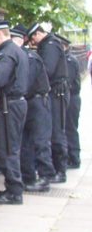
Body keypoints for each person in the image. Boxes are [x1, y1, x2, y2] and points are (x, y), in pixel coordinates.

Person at [0, 21, 29, 205]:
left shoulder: (7, 53)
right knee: (9, 147)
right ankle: (13, 186)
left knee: (7, 148)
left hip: (8, 106)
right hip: (12, 104)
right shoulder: (13, 50)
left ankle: (14, 190)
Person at [10, 25, 55, 192]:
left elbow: (25, 84)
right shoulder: (20, 56)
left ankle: (45, 176)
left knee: (40, 140)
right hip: (27, 102)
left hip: (36, 102)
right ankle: (28, 176)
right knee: (25, 141)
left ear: (21, 40)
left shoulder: (29, 57)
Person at [27, 23, 69, 183]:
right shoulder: (48, 44)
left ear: (38, 33)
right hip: (54, 91)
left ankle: (60, 170)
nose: (32, 42)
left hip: (57, 92)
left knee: (57, 130)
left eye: (33, 38)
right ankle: (57, 169)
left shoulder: (50, 45)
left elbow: (47, 70)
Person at [59, 35, 82, 169]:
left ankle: (74, 157)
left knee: (70, 127)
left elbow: (68, 81)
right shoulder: (67, 59)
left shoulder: (69, 60)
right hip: (68, 96)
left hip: (71, 98)